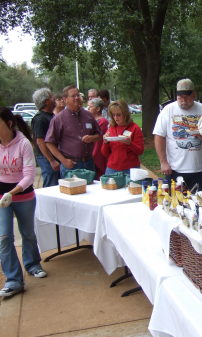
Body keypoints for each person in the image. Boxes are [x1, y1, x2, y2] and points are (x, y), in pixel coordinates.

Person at [0, 107, 47, 298]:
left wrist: (12, 192)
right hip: (2, 198)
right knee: (3, 237)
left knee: (27, 233)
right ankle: (13, 279)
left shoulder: (24, 144)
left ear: (9, 124)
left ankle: (32, 264)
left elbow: (28, 176)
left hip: (23, 195)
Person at [153, 79, 202, 190]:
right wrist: (163, 162)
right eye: (180, 97)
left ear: (194, 94)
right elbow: (159, 136)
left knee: (197, 203)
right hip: (174, 169)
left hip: (198, 168)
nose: (183, 100)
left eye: (186, 97)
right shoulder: (168, 110)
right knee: (175, 203)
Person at [45, 85, 101, 179]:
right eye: (73, 96)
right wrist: (63, 161)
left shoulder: (88, 115)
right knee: (74, 193)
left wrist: (92, 138)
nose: (77, 98)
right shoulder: (59, 119)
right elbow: (49, 143)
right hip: (72, 166)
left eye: (78, 95)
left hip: (89, 164)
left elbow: (99, 135)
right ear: (65, 99)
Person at [101, 100, 144, 175]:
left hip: (130, 169)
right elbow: (104, 153)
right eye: (113, 115)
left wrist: (130, 144)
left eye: (118, 115)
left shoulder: (134, 128)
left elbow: (140, 151)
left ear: (125, 114)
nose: (116, 118)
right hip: (112, 168)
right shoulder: (111, 128)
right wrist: (105, 142)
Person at [31, 88, 60, 187]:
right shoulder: (40, 119)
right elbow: (40, 141)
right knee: (51, 184)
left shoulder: (52, 116)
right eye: (51, 96)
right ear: (46, 101)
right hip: (46, 157)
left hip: (55, 155)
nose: (54, 98)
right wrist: (51, 160)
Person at [87, 98, 109, 179]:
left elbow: (98, 142)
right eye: (88, 106)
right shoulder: (91, 120)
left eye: (90, 107)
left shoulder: (103, 121)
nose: (88, 109)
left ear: (98, 109)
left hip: (98, 154)